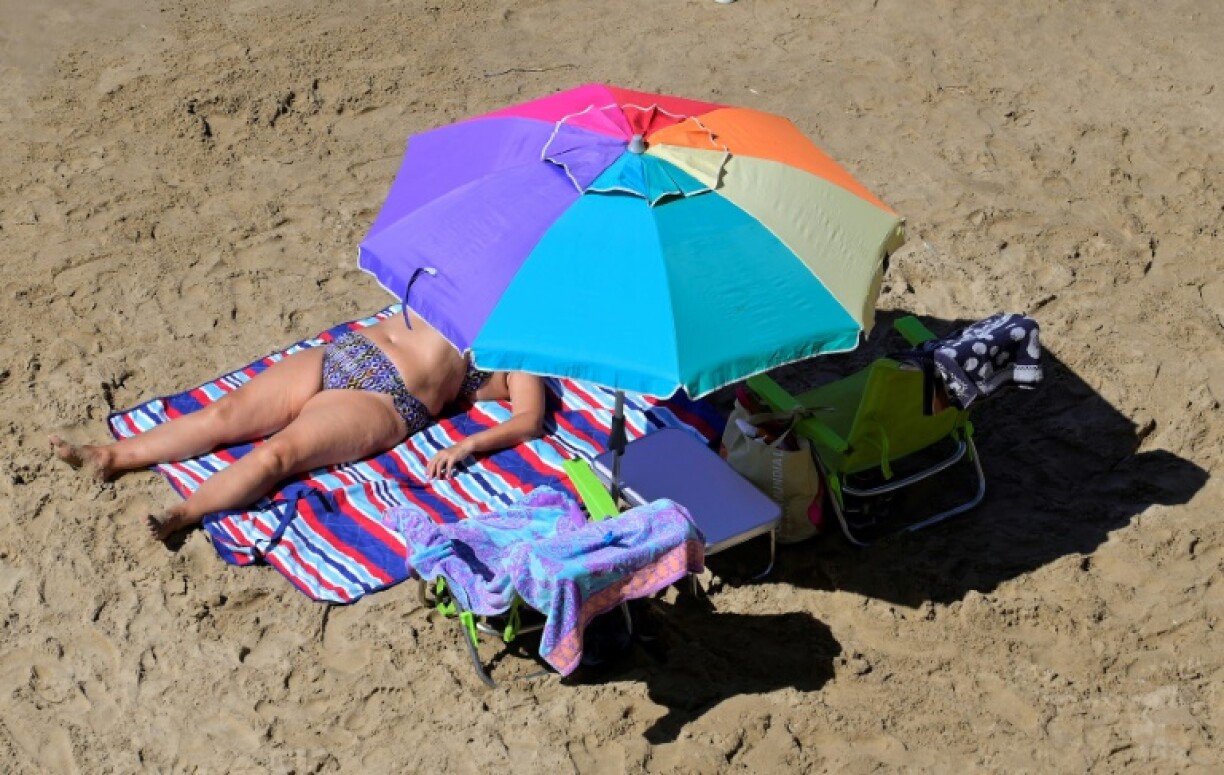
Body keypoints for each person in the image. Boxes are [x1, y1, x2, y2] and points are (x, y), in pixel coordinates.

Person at [50, 310, 546, 541]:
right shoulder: (459, 274)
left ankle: (184, 513)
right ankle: (110, 457)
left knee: (276, 456)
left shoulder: (521, 342)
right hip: (345, 352)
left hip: (384, 399)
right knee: (221, 416)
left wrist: (470, 443)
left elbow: (528, 419)